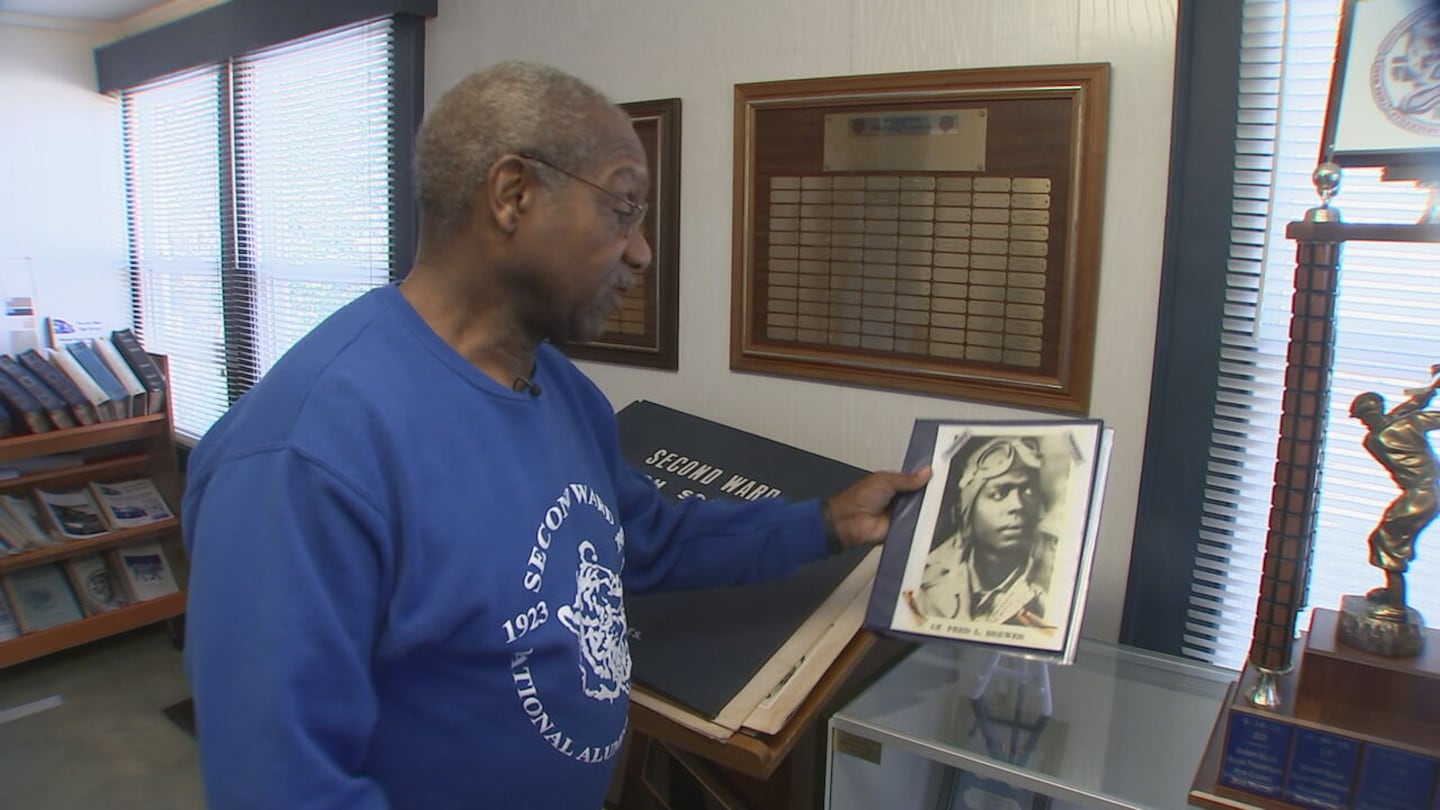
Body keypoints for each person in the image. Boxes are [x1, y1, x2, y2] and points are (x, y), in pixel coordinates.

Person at [180, 61, 929, 810]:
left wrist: (826, 522)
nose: (640, 251)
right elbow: (282, 787)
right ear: (514, 196)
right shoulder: (305, 455)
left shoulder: (563, 391)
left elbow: (652, 540)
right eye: (622, 207)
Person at [913, 436, 1055, 627]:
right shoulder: (924, 581)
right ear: (967, 510)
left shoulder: (1053, 588)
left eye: (1028, 491)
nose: (1018, 505)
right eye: (1000, 493)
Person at [1349, 365, 1440, 617]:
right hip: (1423, 495)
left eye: (1363, 417)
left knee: (1388, 543)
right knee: (1385, 542)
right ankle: (1394, 595)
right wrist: (1428, 393)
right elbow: (1407, 416)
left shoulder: (1379, 436)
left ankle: (1396, 605)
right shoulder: (1391, 431)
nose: (1364, 422)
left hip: (1421, 496)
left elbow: (1403, 415)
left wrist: (1427, 393)